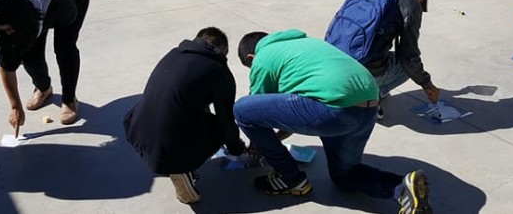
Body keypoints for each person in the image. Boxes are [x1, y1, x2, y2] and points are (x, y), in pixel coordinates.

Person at [233, 30, 432, 213]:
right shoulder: (303, 43)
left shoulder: (263, 58)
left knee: (241, 109)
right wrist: (275, 139)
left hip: (335, 109)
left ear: (251, 58)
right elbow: (288, 113)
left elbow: (254, 113)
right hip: (368, 106)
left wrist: (258, 146)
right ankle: (402, 187)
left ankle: (289, 178)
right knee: (345, 176)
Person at [124, 27, 246, 204]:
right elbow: (226, 121)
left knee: (176, 109)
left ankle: (165, 159)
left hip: (137, 132)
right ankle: (180, 167)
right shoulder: (219, 71)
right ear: (223, 52)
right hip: (169, 145)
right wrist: (237, 149)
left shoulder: (173, 54)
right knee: (219, 128)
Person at [0, 0, 90, 129]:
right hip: (34, 10)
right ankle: (43, 88)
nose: (7, 33)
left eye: (10, 29)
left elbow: (68, 20)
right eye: (2, 30)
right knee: (29, 54)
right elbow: (6, 64)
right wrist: (15, 106)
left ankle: (70, 99)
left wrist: (39, 29)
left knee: (64, 47)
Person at [329, 0, 440, 121]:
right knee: (405, 66)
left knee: (381, 54)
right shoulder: (409, 3)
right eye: (422, 1)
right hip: (357, 72)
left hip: (331, 59)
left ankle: (358, 91)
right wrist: (427, 85)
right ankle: (368, 100)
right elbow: (409, 57)